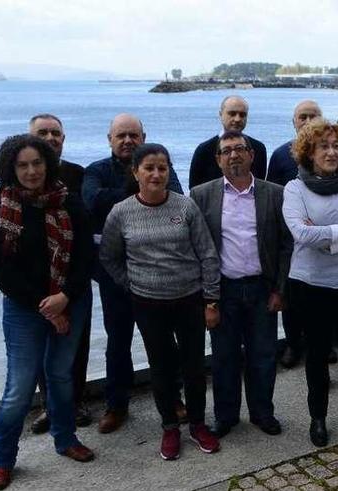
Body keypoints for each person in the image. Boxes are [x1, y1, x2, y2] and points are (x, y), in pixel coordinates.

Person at [0, 135, 95, 491]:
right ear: (10, 168)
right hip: (24, 310)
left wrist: (64, 297)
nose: (31, 171)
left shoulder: (69, 201)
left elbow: (84, 258)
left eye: (37, 163)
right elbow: (3, 271)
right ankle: (3, 459)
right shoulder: (2, 207)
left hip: (70, 301)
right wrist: (48, 307)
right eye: (23, 165)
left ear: (48, 163)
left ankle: (65, 440)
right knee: (19, 387)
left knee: (61, 375)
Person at [100, 143, 221, 460]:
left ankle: (197, 424)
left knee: (194, 367)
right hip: (148, 304)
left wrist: (211, 299)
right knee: (161, 367)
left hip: (189, 300)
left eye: (163, 168)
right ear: (135, 171)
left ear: (169, 171)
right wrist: (131, 284)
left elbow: (207, 254)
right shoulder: (121, 213)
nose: (156, 173)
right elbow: (109, 257)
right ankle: (170, 427)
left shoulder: (185, 207)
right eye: (149, 167)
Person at [82, 113, 184, 434]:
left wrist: (144, 191)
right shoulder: (95, 171)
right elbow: (94, 204)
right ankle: (117, 405)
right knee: (118, 342)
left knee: (164, 341)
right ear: (109, 139)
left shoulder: (164, 168)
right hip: (116, 277)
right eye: (121, 136)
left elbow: (177, 203)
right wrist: (141, 191)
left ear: (143, 136)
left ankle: (174, 398)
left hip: (158, 273)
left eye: (133, 135)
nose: (127, 140)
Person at [190, 130, 293, 438]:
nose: (233, 154)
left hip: (263, 289)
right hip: (223, 291)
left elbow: (287, 245)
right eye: (226, 150)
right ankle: (226, 416)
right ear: (218, 159)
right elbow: (196, 249)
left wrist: (280, 289)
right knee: (224, 358)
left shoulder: (274, 193)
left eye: (239, 149)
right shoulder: (201, 195)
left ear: (251, 155)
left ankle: (262, 413)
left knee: (263, 355)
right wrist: (207, 299)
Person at [282, 118, 338, 447]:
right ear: (309, 152)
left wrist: (327, 238)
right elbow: (301, 235)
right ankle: (317, 418)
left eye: (336, 146)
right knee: (317, 355)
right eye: (325, 146)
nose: (333, 152)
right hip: (310, 284)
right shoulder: (295, 189)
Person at [27, 114, 92, 433]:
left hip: (74, 279)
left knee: (76, 345)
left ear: (64, 139)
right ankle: (48, 405)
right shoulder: (16, 182)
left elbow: (85, 229)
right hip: (36, 281)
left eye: (56, 132)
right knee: (40, 346)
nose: (51, 137)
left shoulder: (77, 175)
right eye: (43, 132)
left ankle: (75, 402)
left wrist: (71, 287)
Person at [268, 99, 322, 370]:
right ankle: (292, 343)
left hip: (323, 235)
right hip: (290, 236)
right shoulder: (280, 155)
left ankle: (320, 344)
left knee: (319, 294)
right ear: (294, 122)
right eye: (303, 116)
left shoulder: (330, 153)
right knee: (290, 294)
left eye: (313, 116)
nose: (308, 121)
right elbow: (271, 197)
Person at [189, 95, 267, 189]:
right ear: (221, 114)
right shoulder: (204, 150)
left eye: (242, 115)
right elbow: (195, 191)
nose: (237, 119)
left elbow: (260, 187)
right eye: (232, 114)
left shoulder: (258, 148)